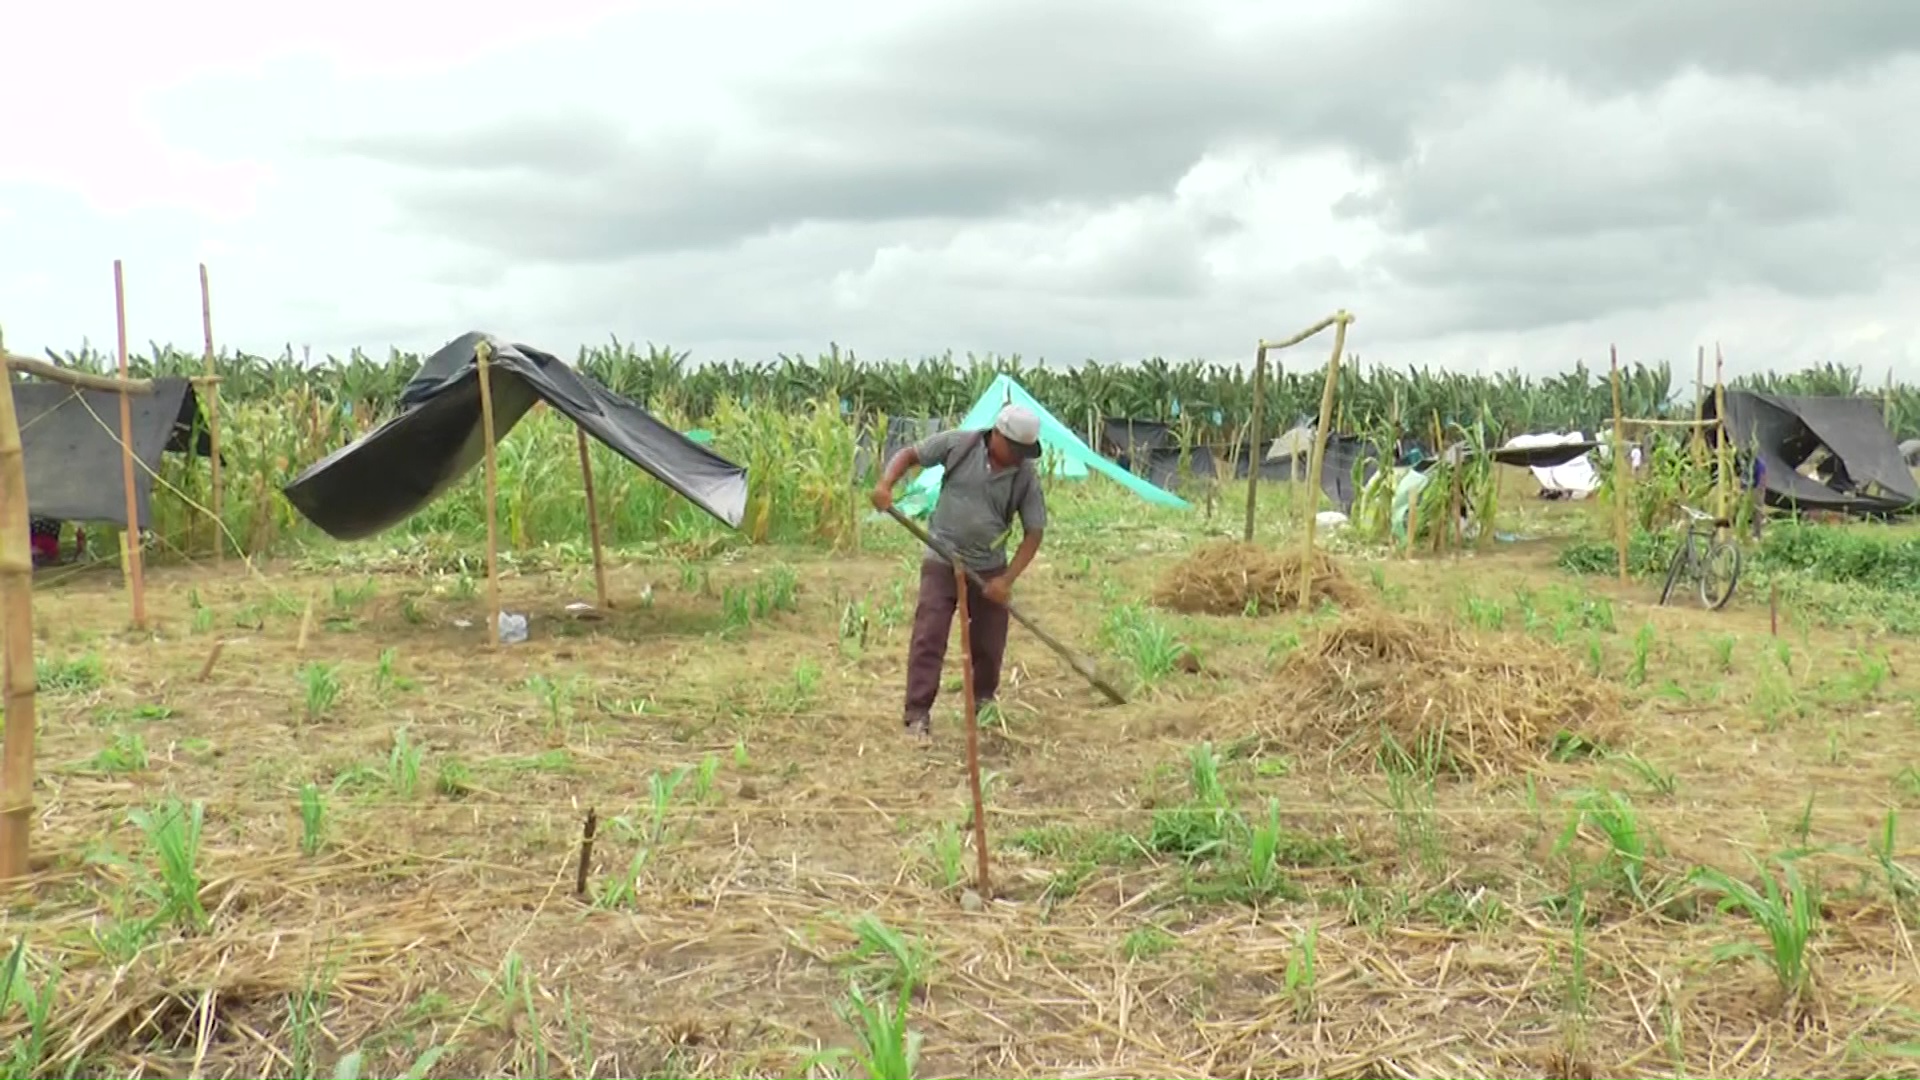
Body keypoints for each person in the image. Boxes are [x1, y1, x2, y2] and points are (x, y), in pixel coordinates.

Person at [870, 404, 1047, 738]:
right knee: (929, 635)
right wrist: (885, 485)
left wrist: (1005, 581)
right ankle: (917, 713)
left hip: (989, 569)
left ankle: (982, 702)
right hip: (942, 558)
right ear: (997, 435)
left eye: (1025, 452)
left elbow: (1034, 532)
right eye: (1015, 449)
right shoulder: (958, 445)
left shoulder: (1024, 476)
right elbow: (909, 454)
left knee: (989, 643)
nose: (1019, 457)